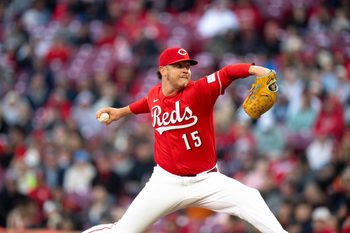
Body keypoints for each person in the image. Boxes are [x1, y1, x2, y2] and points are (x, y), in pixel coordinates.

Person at [82, 47, 288, 233]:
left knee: (250, 198)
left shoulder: (199, 91)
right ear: (163, 70)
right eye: (179, 66)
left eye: (187, 66)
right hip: (166, 182)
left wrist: (260, 71)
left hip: (206, 181)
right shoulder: (154, 95)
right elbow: (147, 103)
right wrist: (120, 112)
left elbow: (227, 73)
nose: (185, 70)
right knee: (122, 231)